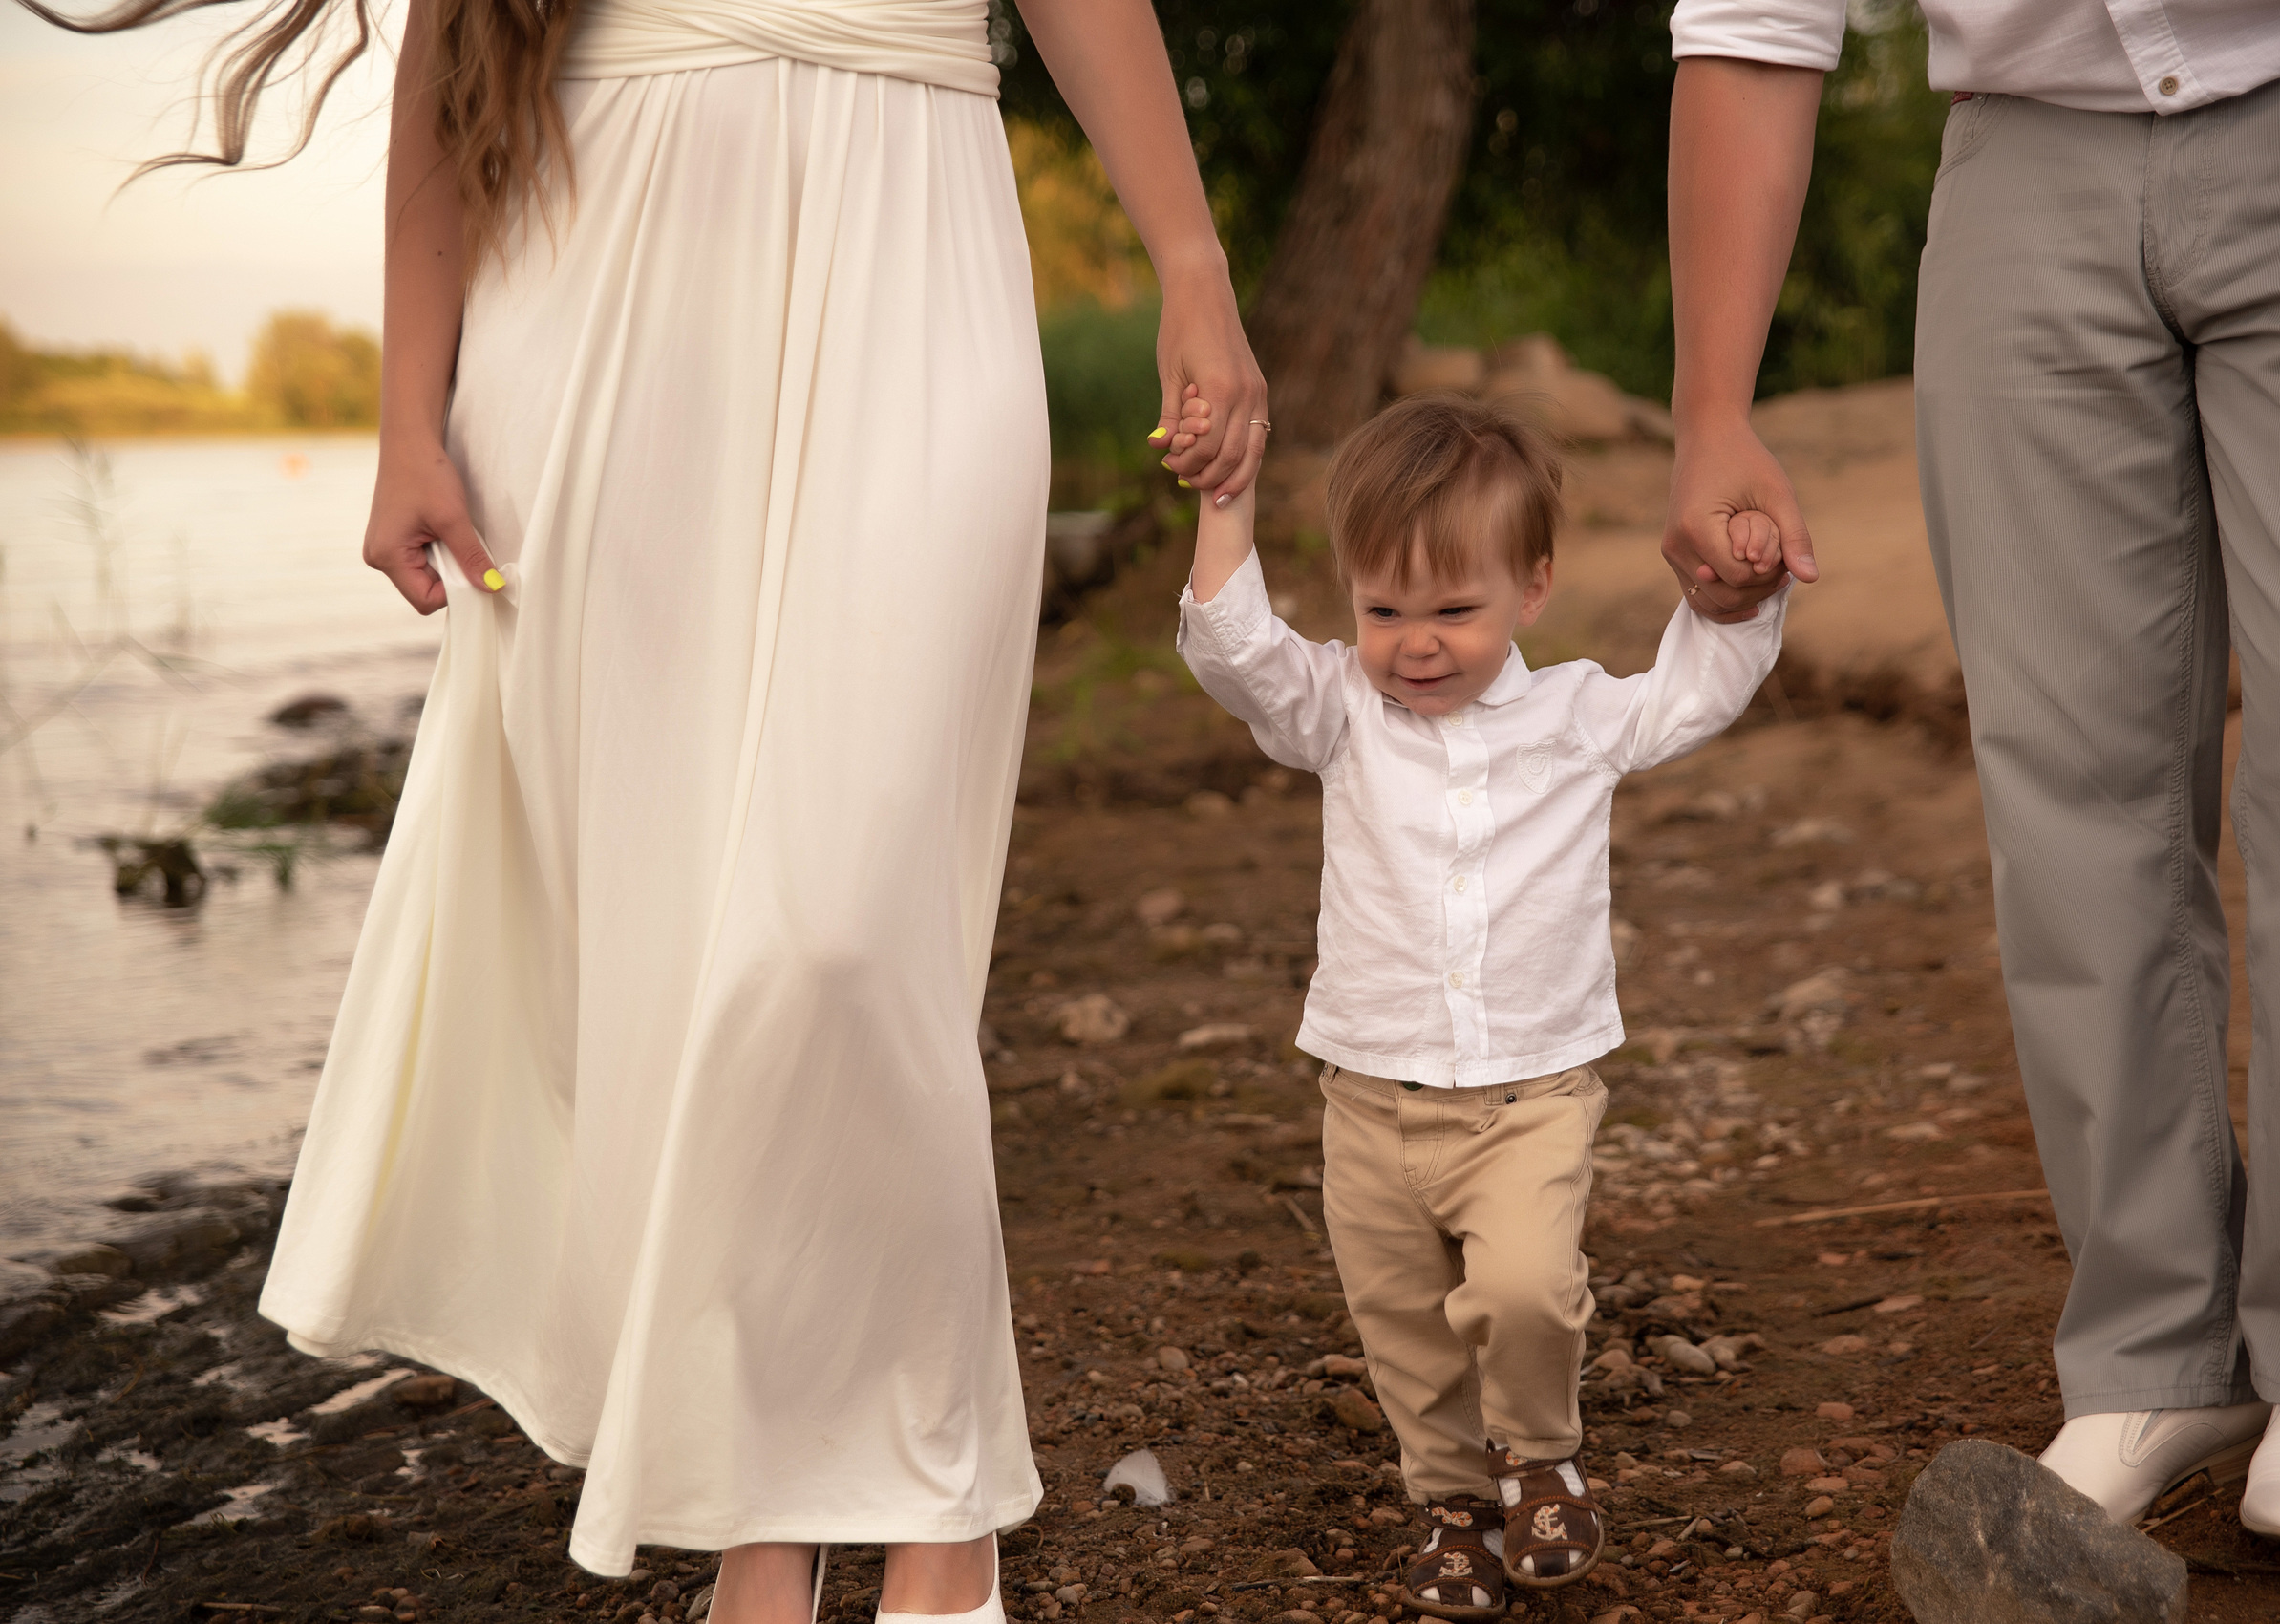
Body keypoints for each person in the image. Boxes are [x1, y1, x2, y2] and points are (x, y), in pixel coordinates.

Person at [21, 0, 1268, 1616]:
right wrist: (411, 408)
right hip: (594, 298)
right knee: (690, 957)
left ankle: (934, 1519)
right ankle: (775, 1521)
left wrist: (1192, 262)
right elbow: (453, 61)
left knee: (840, 934)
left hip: (916, 244)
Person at [1662, 0, 2280, 1555]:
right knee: (2068, 771)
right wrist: (1711, 411)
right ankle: (2157, 1347)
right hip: (2024, 167)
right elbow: (1755, 20)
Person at [1168, 392, 1786, 1620]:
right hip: (1369, 1094)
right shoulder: (1337, 710)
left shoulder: (1573, 717)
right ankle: (1451, 1504)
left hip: (1530, 1093)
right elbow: (1236, 653)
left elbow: (1690, 694)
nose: (1416, 641)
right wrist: (1224, 501)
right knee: (1401, 1326)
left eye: (1455, 609)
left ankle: (1541, 1456)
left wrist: (1737, 593)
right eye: (1383, 609)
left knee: (1524, 1291)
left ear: (1533, 586)